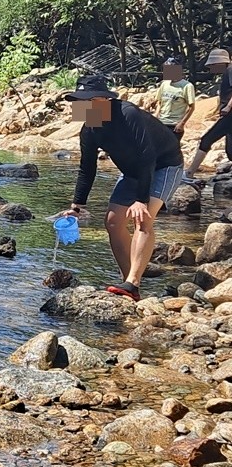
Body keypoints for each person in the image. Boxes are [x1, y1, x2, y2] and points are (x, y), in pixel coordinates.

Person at [62, 74, 184, 302]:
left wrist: (141, 199)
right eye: (78, 103)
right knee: (112, 221)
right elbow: (87, 169)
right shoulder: (89, 130)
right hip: (132, 172)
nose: (81, 107)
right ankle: (127, 280)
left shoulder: (128, 114)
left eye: (86, 102)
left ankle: (133, 283)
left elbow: (147, 157)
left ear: (104, 100)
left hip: (165, 165)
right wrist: (76, 207)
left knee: (142, 218)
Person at [185, 48, 232, 179]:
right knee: (230, 151)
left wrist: (228, 107)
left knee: (207, 139)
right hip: (228, 116)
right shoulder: (227, 72)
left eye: (212, 65)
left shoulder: (230, 70)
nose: (211, 69)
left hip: (230, 115)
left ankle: (189, 173)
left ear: (220, 63)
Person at [155, 55, 195, 139]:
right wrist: (156, 114)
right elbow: (159, 101)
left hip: (174, 125)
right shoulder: (164, 84)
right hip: (161, 122)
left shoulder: (187, 86)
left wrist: (182, 123)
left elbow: (191, 107)